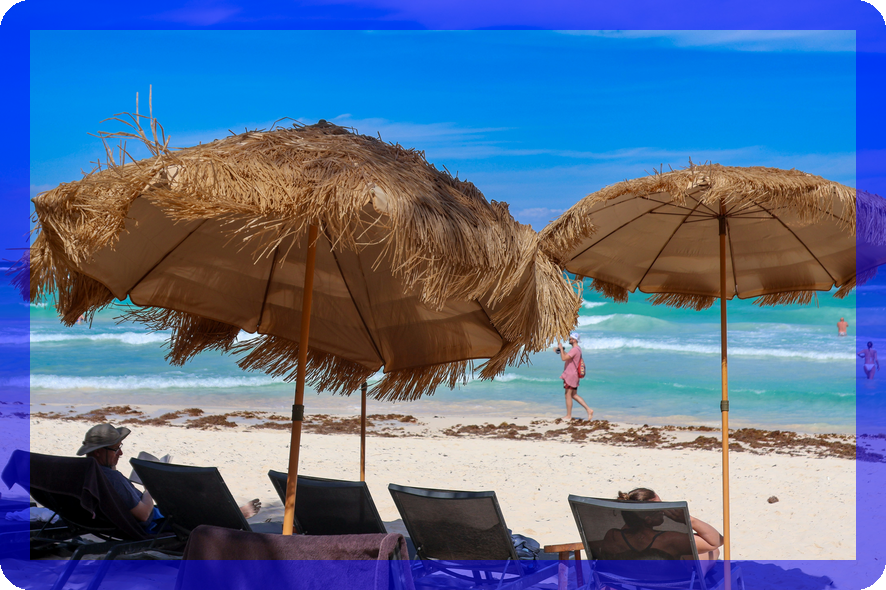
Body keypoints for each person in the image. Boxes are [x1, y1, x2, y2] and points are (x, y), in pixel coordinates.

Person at [77, 423, 261, 529]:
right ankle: (238, 516)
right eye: (116, 449)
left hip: (115, 522)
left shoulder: (86, 473)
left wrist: (112, 464)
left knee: (184, 503)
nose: (121, 453)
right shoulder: (112, 479)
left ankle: (235, 513)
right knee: (193, 511)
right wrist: (149, 488)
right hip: (154, 524)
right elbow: (143, 515)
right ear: (99, 452)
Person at [600, 487, 723, 571]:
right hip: (670, 583)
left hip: (633, 579)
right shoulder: (669, 539)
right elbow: (717, 540)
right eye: (660, 506)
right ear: (648, 519)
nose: (664, 510)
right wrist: (688, 520)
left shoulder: (613, 536)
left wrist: (632, 522)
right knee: (712, 551)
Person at [556, 331, 593, 421]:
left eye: (570, 338)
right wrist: (561, 350)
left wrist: (561, 349)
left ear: (574, 340)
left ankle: (568, 415)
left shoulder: (575, 350)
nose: (569, 339)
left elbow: (563, 358)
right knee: (574, 395)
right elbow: (568, 357)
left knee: (567, 395)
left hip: (570, 375)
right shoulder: (578, 349)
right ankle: (589, 410)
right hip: (574, 374)